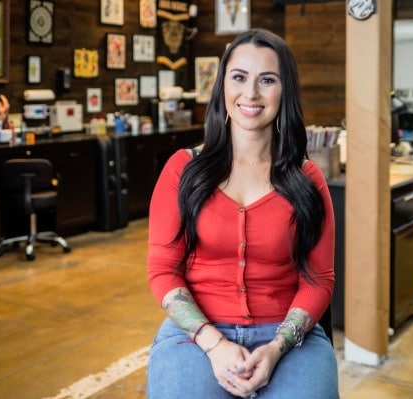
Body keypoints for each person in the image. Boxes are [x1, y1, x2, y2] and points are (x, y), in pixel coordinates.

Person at [146, 29, 338, 399]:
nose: (250, 94)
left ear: (286, 92)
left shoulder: (307, 179)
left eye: (267, 80)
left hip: (287, 335)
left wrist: (276, 347)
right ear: (222, 87)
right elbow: (162, 269)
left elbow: (319, 281)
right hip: (196, 334)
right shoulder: (182, 169)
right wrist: (214, 344)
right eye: (239, 78)